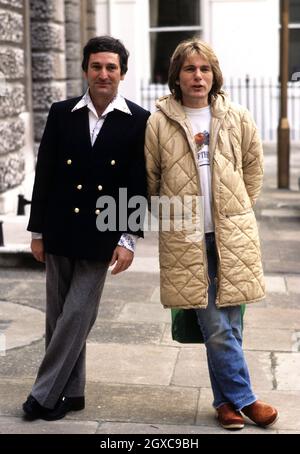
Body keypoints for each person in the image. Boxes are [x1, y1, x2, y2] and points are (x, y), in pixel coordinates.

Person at [145, 38, 278, 430]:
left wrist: (235, 209)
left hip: (232, 234)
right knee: (216, 325)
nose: (197, 76)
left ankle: (225, 404)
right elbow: (152, 179)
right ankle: (248, 400)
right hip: (187, 239)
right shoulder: (159, 121)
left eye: (204, 69)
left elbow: (253, 170)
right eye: (189, 69)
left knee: (231, 325)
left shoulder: (236, 115)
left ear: (214, 74)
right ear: (177, 76)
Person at [23, 36, 150, 421]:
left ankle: (43, 394)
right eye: (96, 66)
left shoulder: (139, 120)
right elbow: (44, 172)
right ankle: (72, 392)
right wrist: (37, 231)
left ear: (122, 74)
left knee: (77, 313)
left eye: (111, 67)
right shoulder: (62, 112)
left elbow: (136, 183)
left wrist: (126, 238)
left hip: (101, 232)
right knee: (57, 315)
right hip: (60, 227)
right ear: (85, 70)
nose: (103, 73)